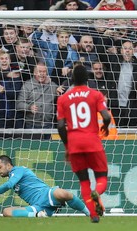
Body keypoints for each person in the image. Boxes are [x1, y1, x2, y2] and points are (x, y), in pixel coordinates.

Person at [57, 64, 111, 223]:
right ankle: (98, 192)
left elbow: (60, 126)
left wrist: (67, 146)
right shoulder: (95, 94)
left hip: (74, 143)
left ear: (72, 79)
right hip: (92, 141)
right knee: (102, 178)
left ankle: (94, 215)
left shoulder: (63, 98)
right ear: (88, 78)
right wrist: (105, 127)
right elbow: (106, 117)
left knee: (84, 181)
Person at [0, 155, 90, 217]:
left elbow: (9, 185)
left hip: (46, 194)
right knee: (6, 212)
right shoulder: (13, 176)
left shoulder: (18, 170)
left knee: (63, 193)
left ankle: (89, 213)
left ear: (8, 165)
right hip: (37, 206)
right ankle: (39, 215)